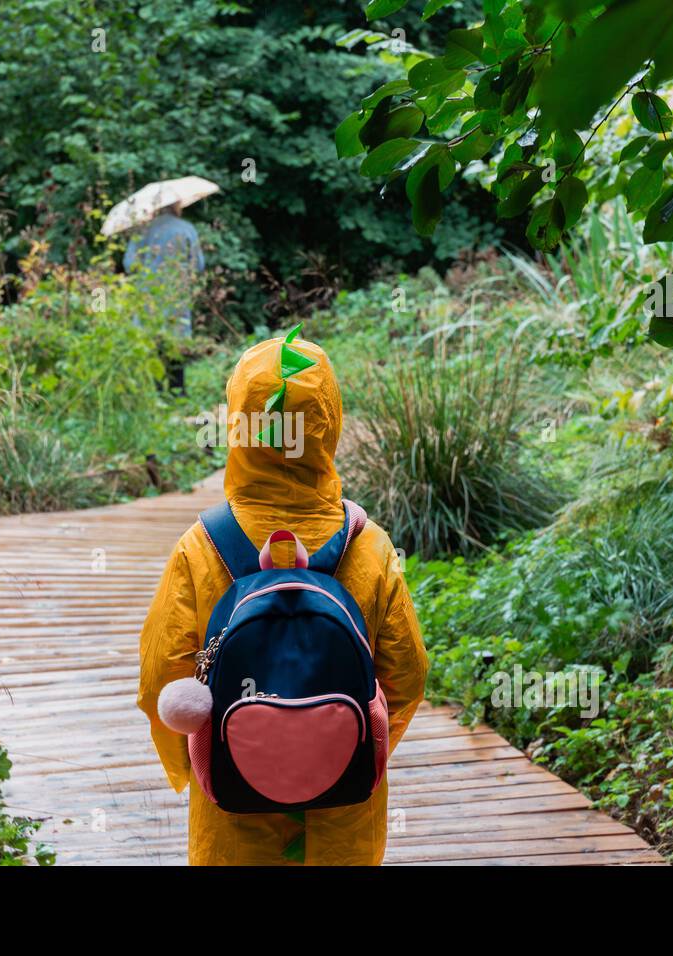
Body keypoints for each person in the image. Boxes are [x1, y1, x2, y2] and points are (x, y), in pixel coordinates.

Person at [136, 333, 428, 865]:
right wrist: (349, 746)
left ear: (238, 424)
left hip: (233, 813)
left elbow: (162, 674)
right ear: (329, 421)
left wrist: (199, 765)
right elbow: (406, 676)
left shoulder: (201, 547)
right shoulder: (372, 547)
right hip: (342, 813)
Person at [123, 203, 205, 394]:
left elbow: (129, 264)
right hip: (177, 294)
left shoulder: (143, 230)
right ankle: (178, 390)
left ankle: (156, 390)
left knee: (151, 338)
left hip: (147, 295)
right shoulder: (186, 229)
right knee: (177, 340)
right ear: (177, 207)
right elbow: (198, 265)